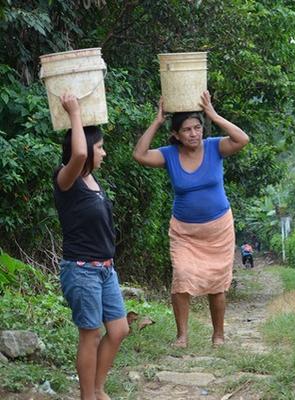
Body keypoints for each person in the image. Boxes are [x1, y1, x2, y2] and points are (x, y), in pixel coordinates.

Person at [133, 90, 249, 348]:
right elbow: (140, 155)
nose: (194, 133)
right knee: (181, 278)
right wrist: (156, 121)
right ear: (176, 134)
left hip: (218, 229)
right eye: (187, 130)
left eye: (197, 128)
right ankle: (182, 336)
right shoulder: (169, 155)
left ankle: (218, 335)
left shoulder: (215, 147)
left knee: (217, 284)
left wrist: (213, 114)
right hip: (185, 231)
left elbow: (242, 139)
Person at [53, 94, 129, 400]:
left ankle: (97, 389)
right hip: (81, 270)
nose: (104, 153)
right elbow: (79, 154)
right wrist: (74, 113)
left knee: (119, 329)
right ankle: (88, 396)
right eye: (100, 147)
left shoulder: (92, 182)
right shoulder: (65, 179)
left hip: (105, 269)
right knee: (91, 333)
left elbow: (84, 156)